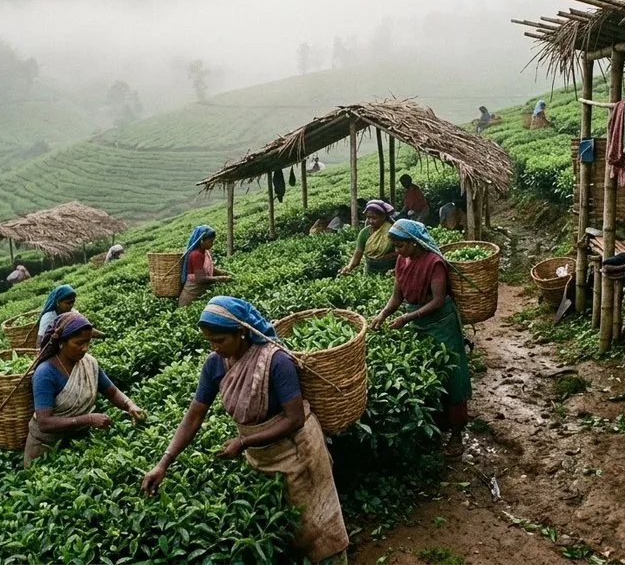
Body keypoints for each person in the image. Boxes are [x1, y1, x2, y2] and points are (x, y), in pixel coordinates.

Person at [140, 296, 349, 562]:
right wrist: (164, 462)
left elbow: (294, 418)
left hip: (299, 451)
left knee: (318, 522)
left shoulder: (275, 361)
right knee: (283, 525)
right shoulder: (214, 364)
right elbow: (194, 415)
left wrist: (243, 443)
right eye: (209, 341)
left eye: (220, 340)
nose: (215, 347)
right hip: (260, 454)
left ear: (241, 333)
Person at [370, 219, 471, 457]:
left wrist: (407, 318)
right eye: (394, 246)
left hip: (442, 324)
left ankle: (457, 433)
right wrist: (383, 314)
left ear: (415, 243)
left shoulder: (434, 262)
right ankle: (436, 427)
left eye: (401, 246)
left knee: (452, 374)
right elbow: (397, 296)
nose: (397, 251)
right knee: (429, 373)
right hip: (417, 321)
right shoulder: (401, 261)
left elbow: (437, 300)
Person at [24, 311, 144, 466]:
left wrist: (129, 405)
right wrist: (88, 419)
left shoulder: (89, 363)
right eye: (79, 343)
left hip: (77, 442)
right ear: (61, 342)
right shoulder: (45, 373)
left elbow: (112, 391)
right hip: (45, 450)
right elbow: (44, 423)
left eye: (88, 342)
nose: (85, 348)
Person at [179, 225, 233, 307]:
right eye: (210, 241)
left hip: (200, 295)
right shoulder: (195, 255)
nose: (212, 244)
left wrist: (223, 273)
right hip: (190, 298)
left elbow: (209, 269)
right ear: (201, 241)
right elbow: (200, 279)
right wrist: (220, 278)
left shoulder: (205, 252)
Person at [340, 200, 397, 276]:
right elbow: (358, 253)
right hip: (370, 271)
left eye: (374, 218)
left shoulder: (392, 231)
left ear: (383, 217)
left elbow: (402, 251)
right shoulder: (364, 233)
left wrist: (386, 257)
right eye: (368, 218)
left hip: (390, 270)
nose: (370, 221)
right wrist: (349, 267)